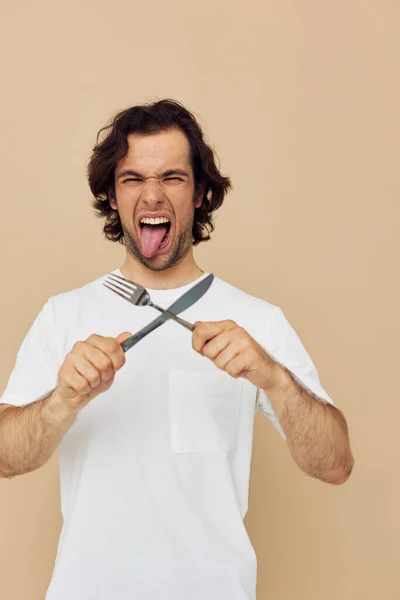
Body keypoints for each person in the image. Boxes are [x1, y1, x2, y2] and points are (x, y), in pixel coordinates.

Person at [0, 99, 353, 600]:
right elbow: (6, 457)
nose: (152, 196)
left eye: (172, 178)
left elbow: (335, 464)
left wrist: (273, 378)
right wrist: (62, 402)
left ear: (200, 193)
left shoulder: (257, 320)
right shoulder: (64, 314)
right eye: (132, 179)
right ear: (111, 194)